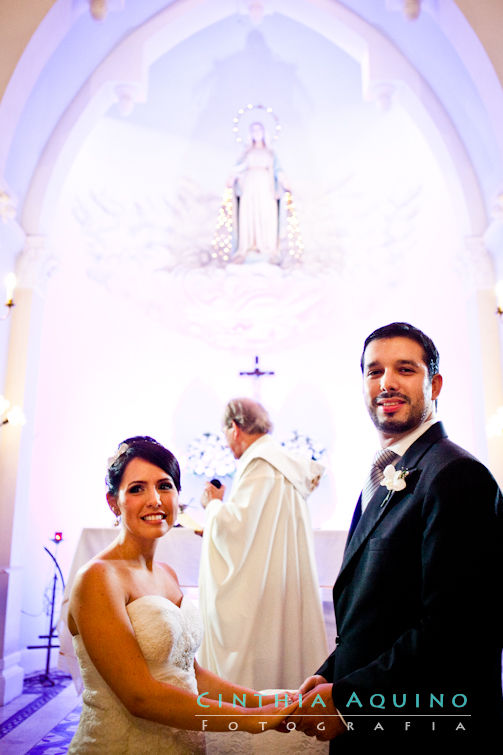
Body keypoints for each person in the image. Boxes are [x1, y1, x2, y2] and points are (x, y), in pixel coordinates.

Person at [289, 322, 503, 751]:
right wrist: (333, 673)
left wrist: (350, 698)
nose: (386, 382)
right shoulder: (387, 472)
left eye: (405, 369)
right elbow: (379, 612)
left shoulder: (456, 475)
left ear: (434, 383)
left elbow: (454, 628)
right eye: (373, 371)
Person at [67, 436, 294, 753]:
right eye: (136, 489)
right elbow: (140, 697)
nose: (155, 500)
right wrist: (251, 719)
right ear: (112, 501)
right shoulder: (98, 578)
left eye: (164, 485)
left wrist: (266, 700)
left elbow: (191, 674)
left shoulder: (167, 574)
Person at [198, 398, 328, 691]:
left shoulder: (260, 465)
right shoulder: (282, 464)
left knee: (262, 650)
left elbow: (233, 530)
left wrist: (213, 505)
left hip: (260, 591)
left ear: (234, 428)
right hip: (279, 583)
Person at [228, 122, 288, 263]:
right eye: (253, 131)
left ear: (264, 132)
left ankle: (267, 246)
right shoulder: (246, 152)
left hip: (265, 185)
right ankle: (247, 246)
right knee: (249, 214)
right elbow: (238, 169)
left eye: (259, 130)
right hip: (249, 185)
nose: (256, 133)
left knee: (266, 213)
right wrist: (233, 177)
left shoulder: (270, 153)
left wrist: (283, 181)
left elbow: (277, 170)